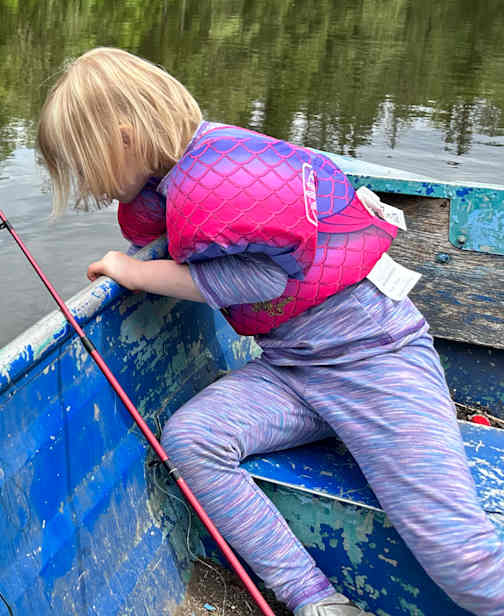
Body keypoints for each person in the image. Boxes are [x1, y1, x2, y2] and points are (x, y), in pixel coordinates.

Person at [36, 47, 504, 616]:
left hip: (375, 359)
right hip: (293, 367)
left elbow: (256, 278)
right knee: (192, 440)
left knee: (466, 564)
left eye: (87, 167)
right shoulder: (184, 175)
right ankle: (315, 600)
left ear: (127, 137)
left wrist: (134, 270)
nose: (92, 188)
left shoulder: (212, 178)